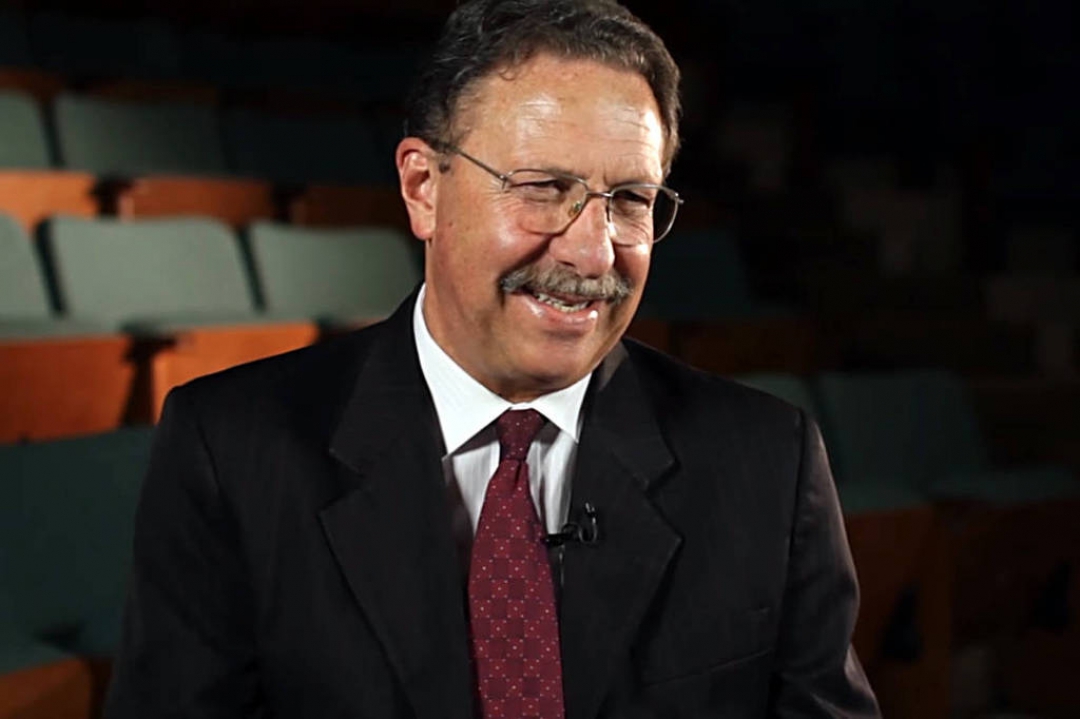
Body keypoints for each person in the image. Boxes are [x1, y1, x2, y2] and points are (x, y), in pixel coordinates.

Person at [105, 0, 880, 716]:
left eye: (630, 200)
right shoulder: (231, 451)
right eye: (544, 187)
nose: (592, 251)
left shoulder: (769, 461)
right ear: (423, 187)